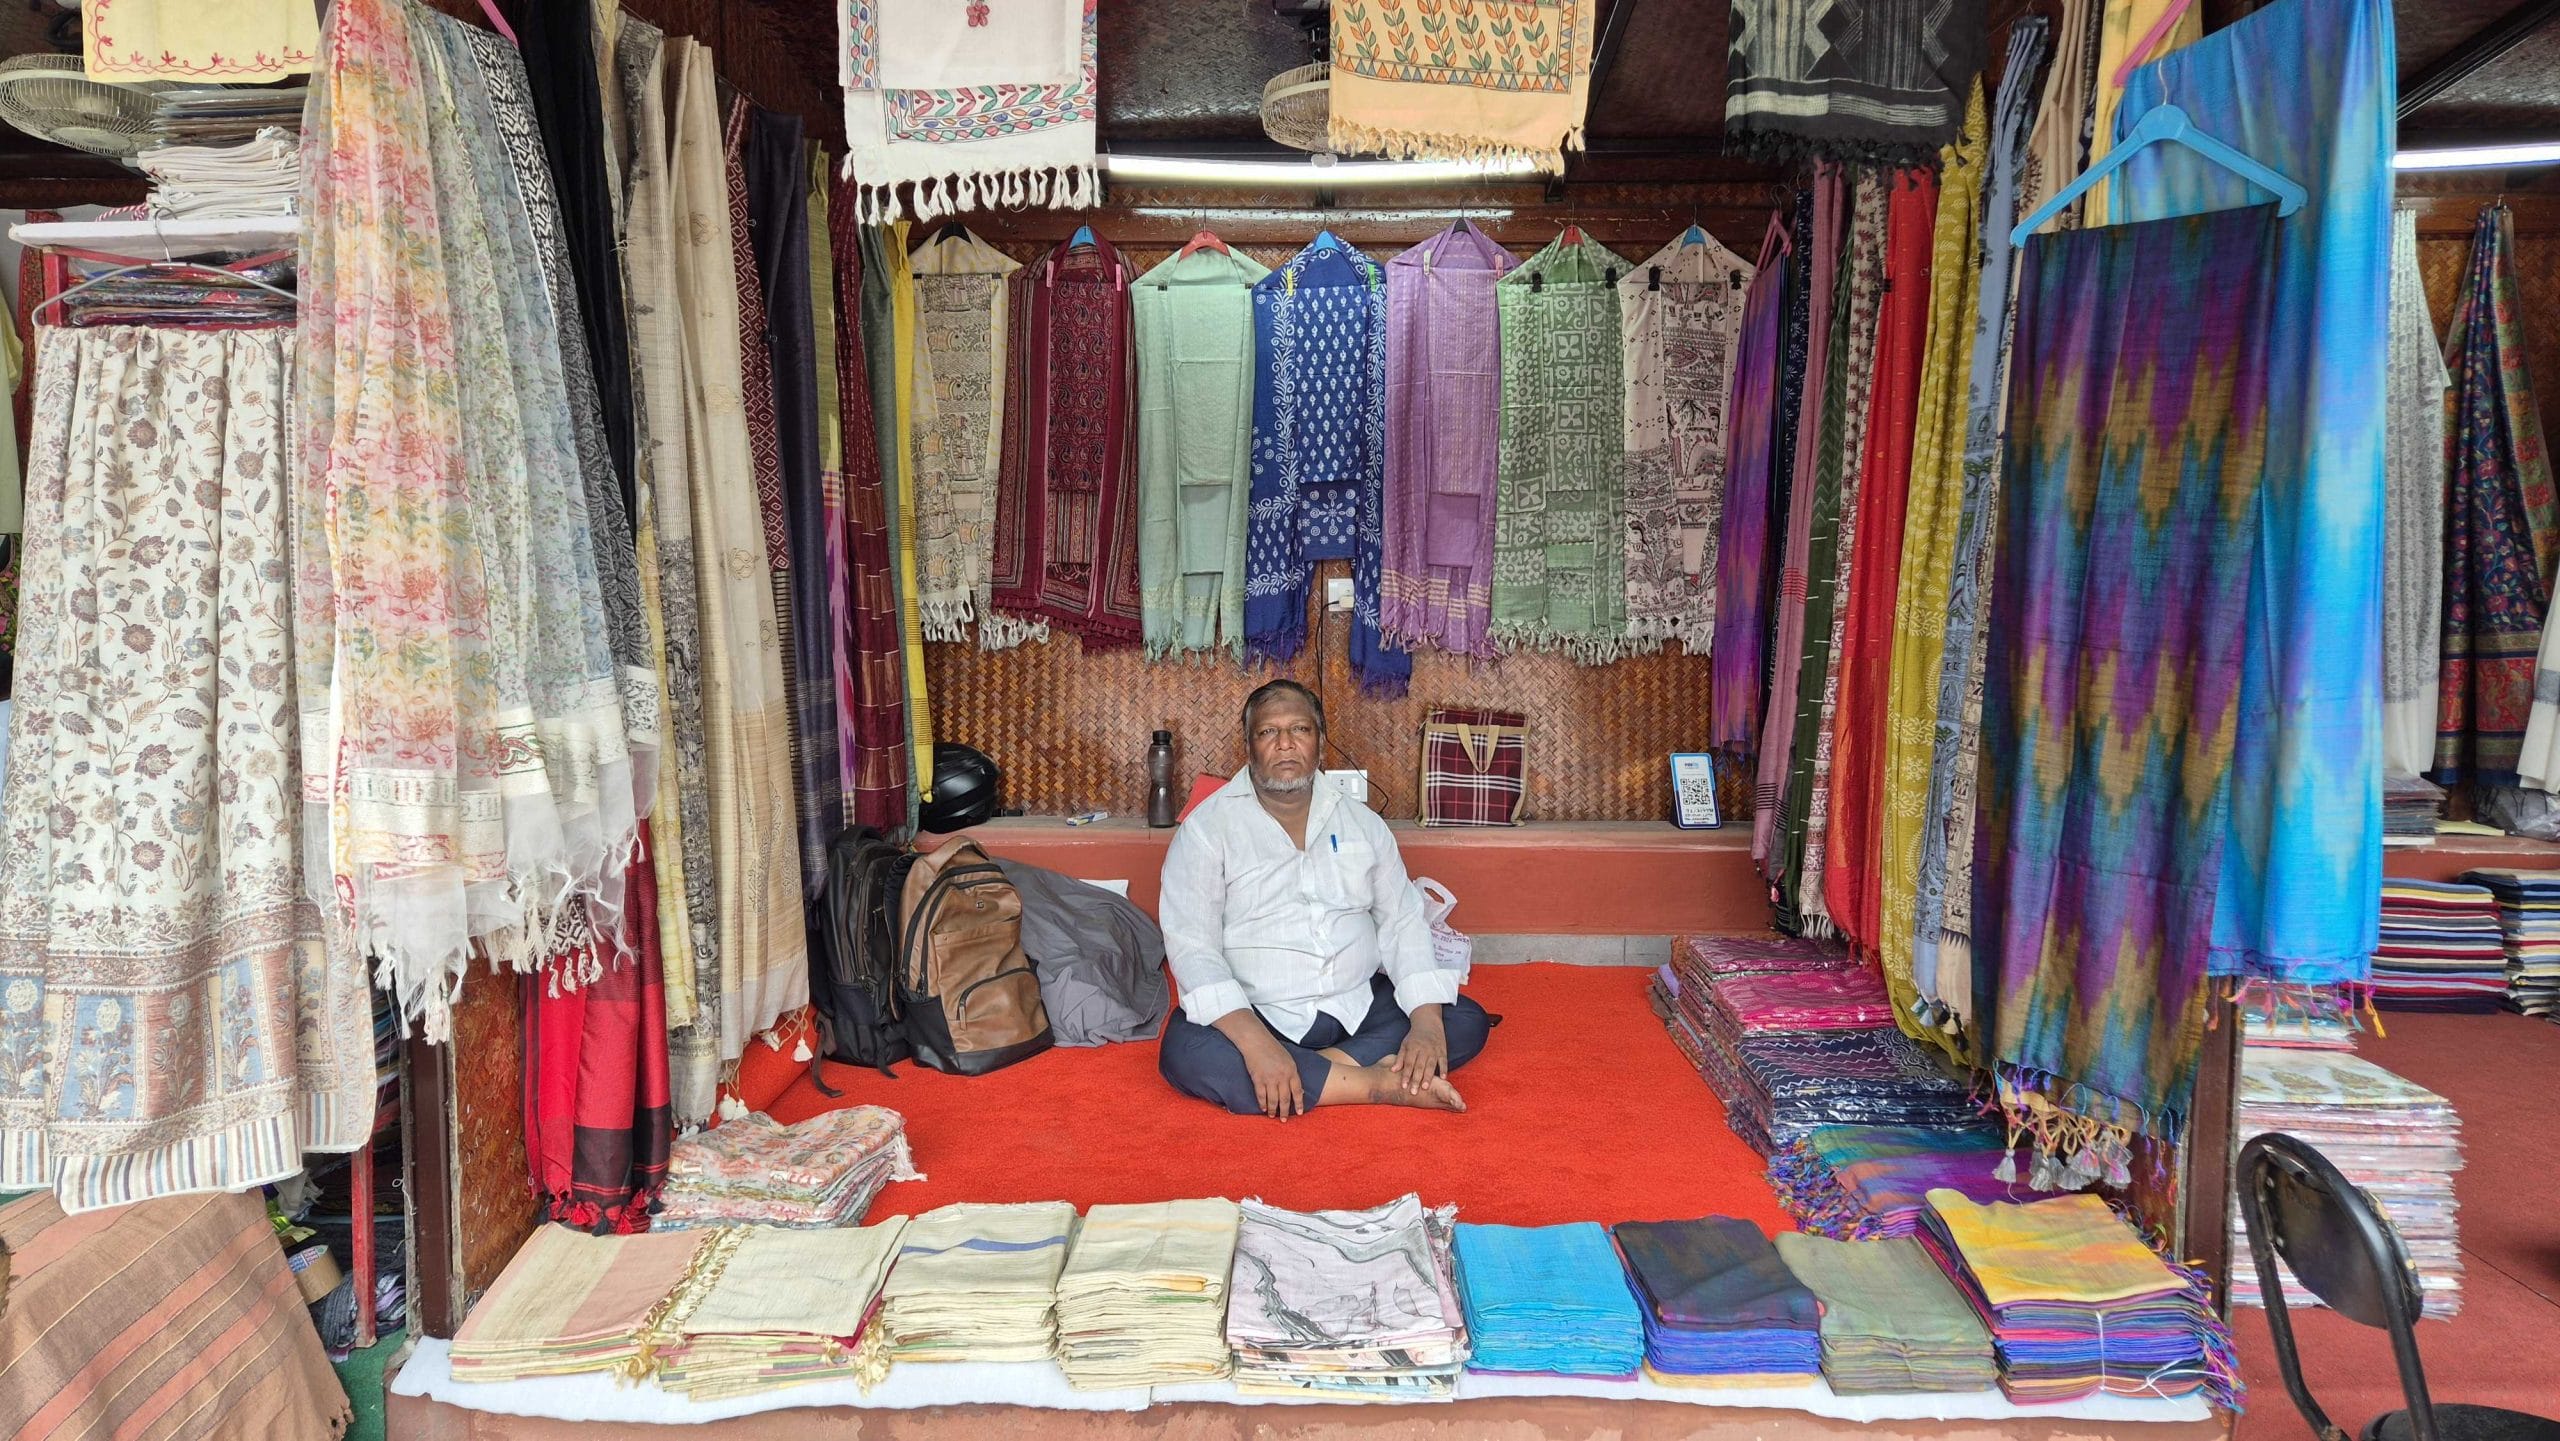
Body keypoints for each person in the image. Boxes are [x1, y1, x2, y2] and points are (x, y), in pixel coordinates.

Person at [1157, 679, 1495, 1117]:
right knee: (1187, 1052)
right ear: (1248, 746)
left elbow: (1401, 923)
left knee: (1461, 1020)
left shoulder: (1363, 823)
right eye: (1267, 732)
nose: (1284, 744)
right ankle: (1376, 1084)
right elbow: (1193, 949)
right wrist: (1258, 1045)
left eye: (1299, 729)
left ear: (1319, 743)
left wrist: (1427, 1025)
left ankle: (1309, 1076)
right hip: (1260, 1012)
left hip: (1357, 1003)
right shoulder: (1206, 830)